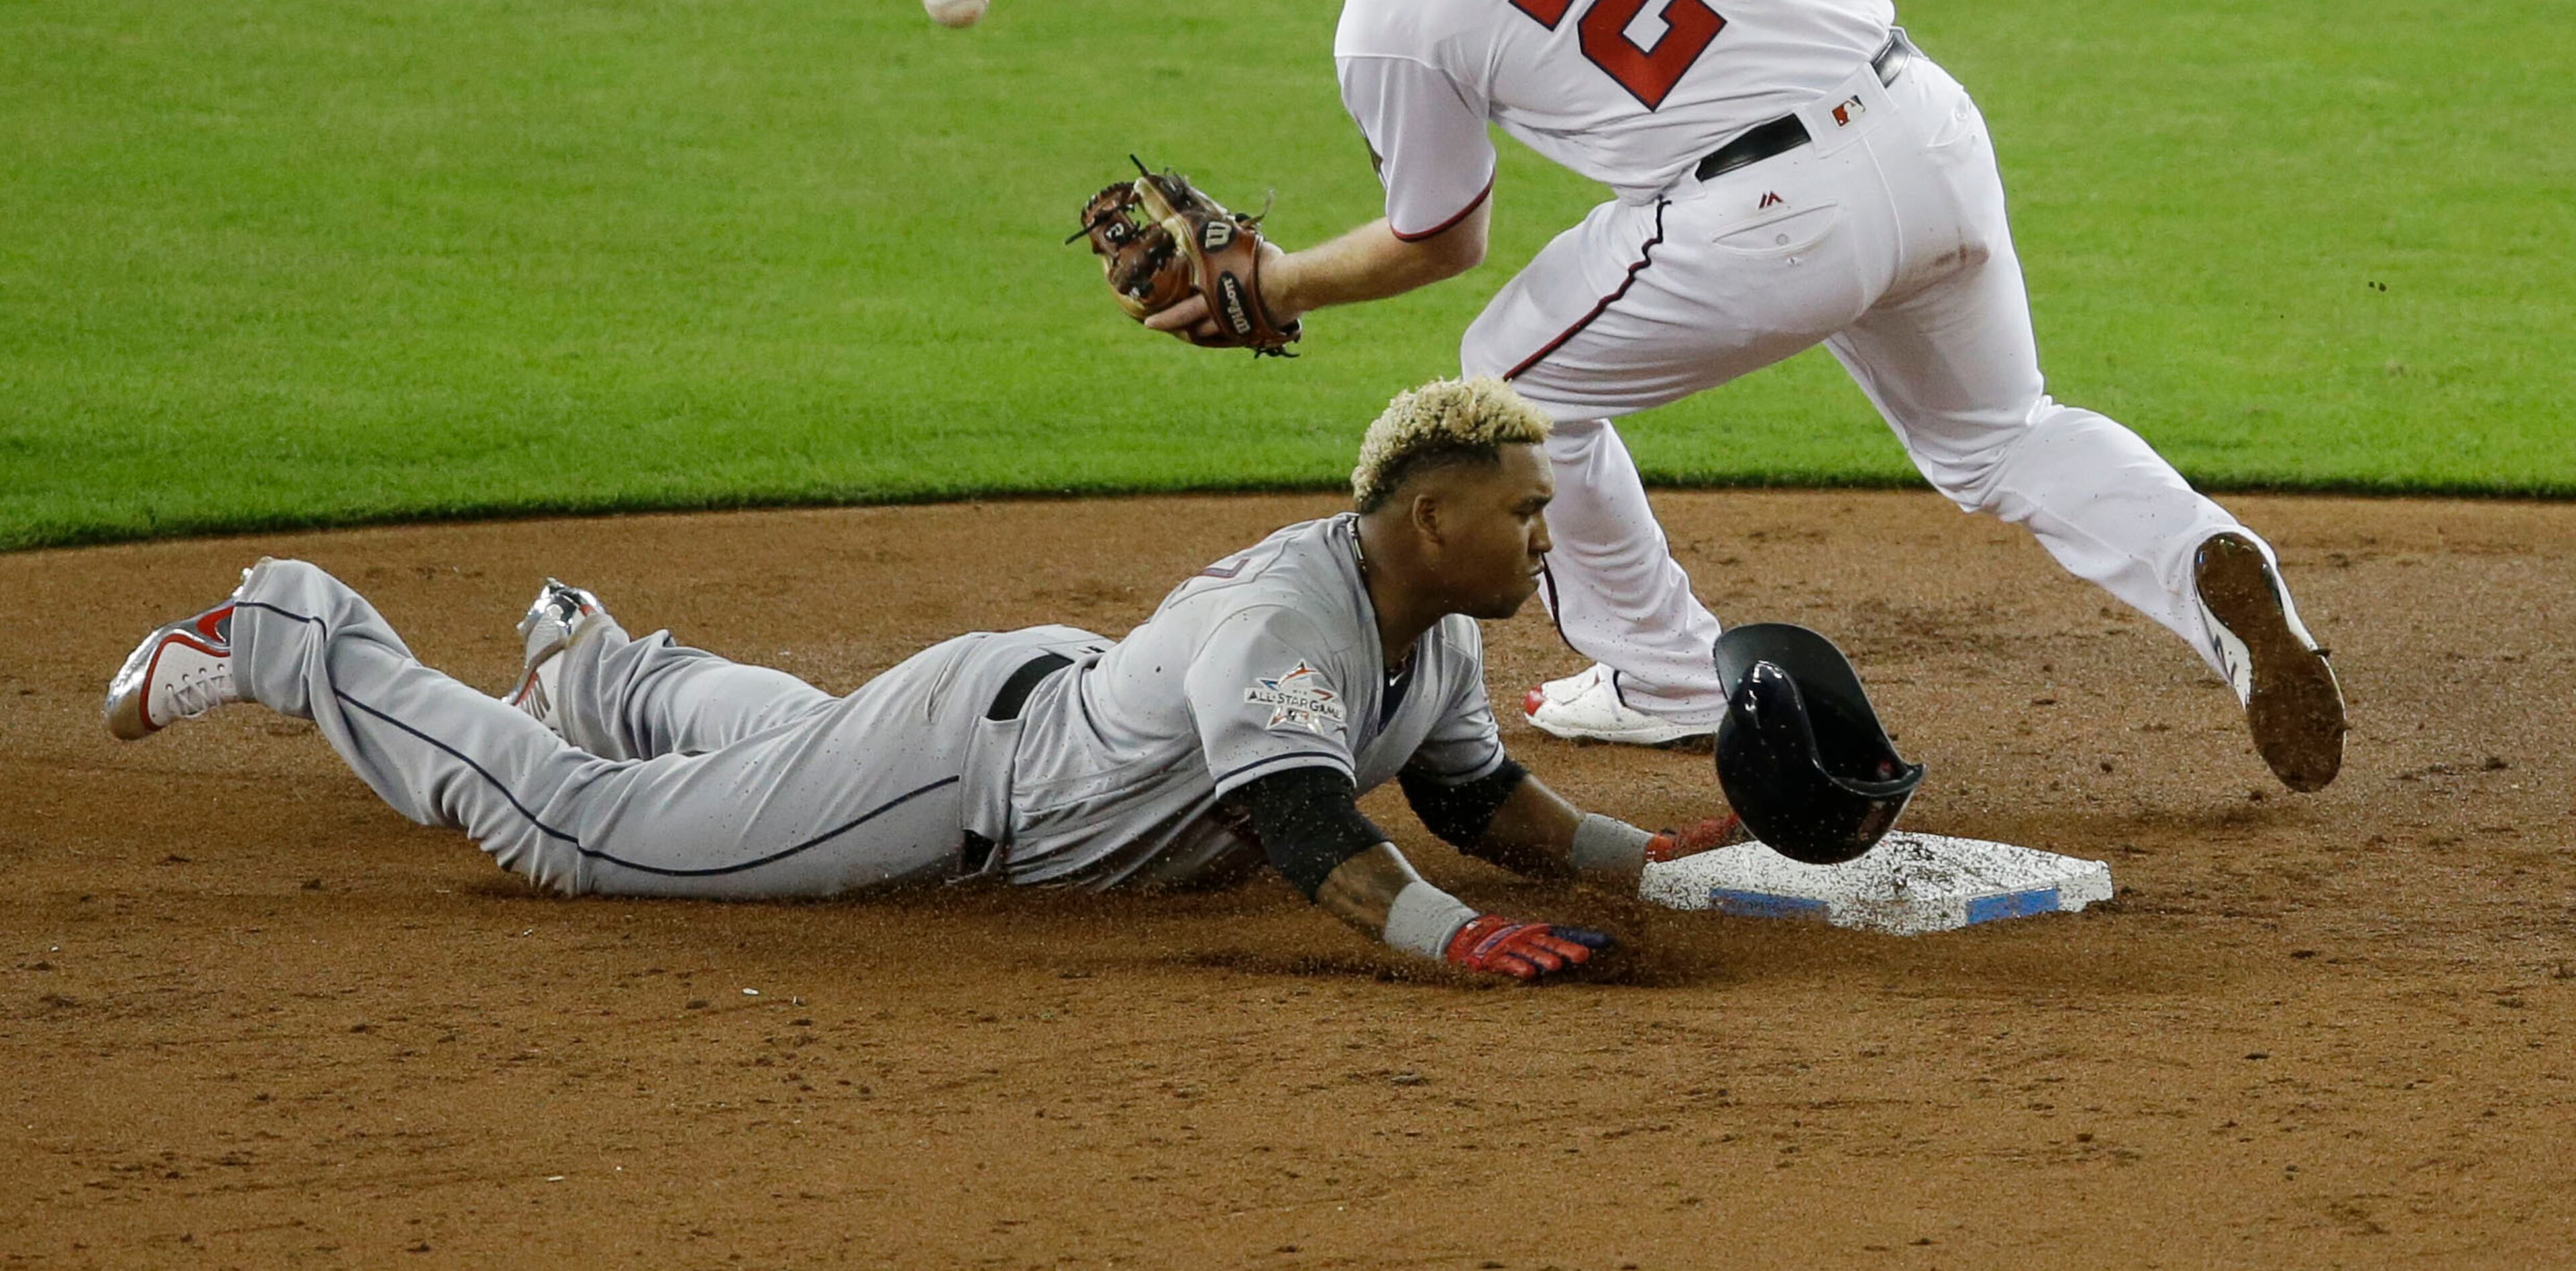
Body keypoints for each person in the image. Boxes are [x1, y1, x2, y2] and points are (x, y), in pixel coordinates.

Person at [1164, 0, 2343, 791]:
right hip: (1922, 125)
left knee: (1514, 392)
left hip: (1764, 221)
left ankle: (1662, 673)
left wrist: (1281, 284)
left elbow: (1440, 237)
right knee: (2002, 438)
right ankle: (2209, 566)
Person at [101, 378, 1739, 981]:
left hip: (1012, 712)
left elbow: (1470, 792)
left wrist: (1643, 857)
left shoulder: (1435, 624)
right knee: (579, 838)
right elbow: (1314, 832)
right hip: (967, 780)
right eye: (1528, 516)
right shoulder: (1290, 625)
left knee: (779, 753)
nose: (1548, 543)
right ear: (1434, 515)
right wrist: (1463, 948)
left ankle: (605, 669)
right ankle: (299, 634)